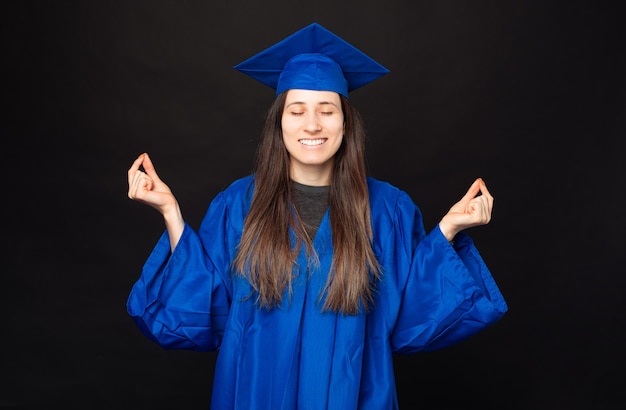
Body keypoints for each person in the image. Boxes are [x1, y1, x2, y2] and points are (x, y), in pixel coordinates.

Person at [126, 22, 507, 409]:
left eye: (327, 110)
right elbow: (207, 310)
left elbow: (410, 319)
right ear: (280, 123)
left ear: (345, 124)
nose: (312, 124)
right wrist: (171, 213)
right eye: (297, 110)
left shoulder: (388, 210)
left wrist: (449, 229)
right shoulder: (238, 204)